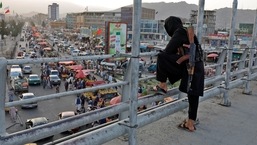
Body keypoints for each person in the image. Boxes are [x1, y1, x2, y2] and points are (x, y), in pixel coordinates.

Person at [154, 16, 204, 132]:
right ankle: (190, 123)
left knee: (161, 56)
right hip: (197, 65)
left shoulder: (180, 32)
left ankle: (163, 85)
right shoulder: (187, 32)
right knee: (193, 95)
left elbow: (168, 51)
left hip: (189, 66)